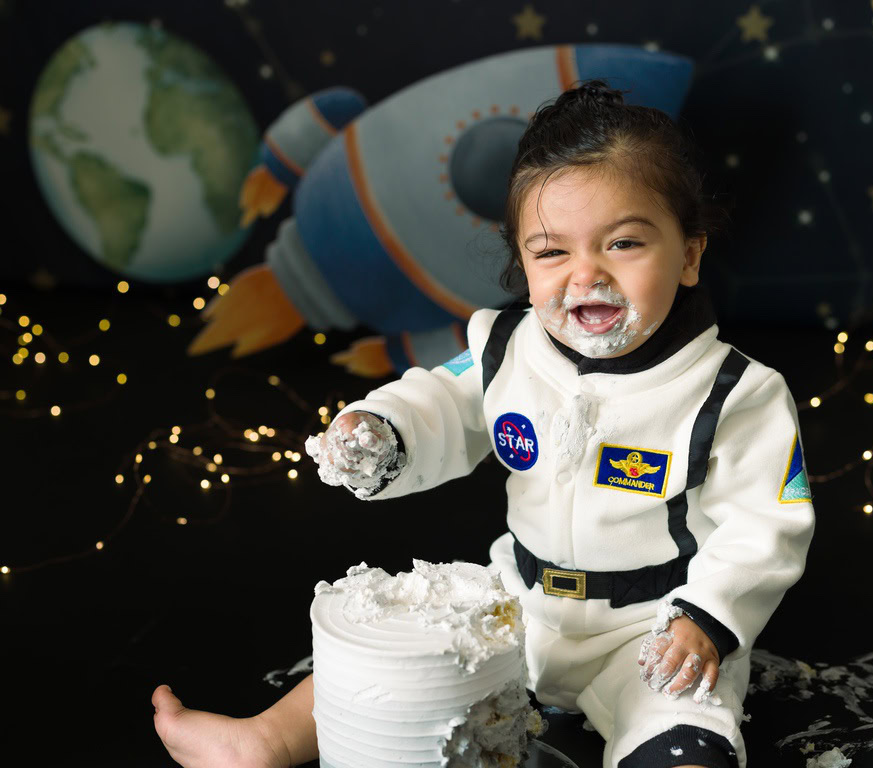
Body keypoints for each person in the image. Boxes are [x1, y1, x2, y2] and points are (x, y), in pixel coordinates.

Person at [152, 79, 816, 768]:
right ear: (522, 261)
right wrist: (382, 432)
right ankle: (263, 739)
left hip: (650, 629)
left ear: (689, 255)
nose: (585, 275)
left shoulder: (735, 392)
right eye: (552, 252)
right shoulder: (506, 351)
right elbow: (442, 403)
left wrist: (705, 618)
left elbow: (766, 528)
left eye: (623, 244)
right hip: (518, 607)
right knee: (398, 668)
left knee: (685, 744)